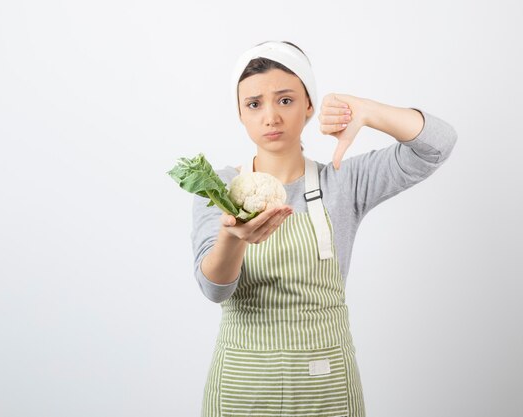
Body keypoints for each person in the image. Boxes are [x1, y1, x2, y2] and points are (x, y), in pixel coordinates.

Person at [191, 40, 457, 417]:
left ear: (309, 105)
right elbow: (214, 289)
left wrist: (369, 112)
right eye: (254, 104)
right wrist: (232, 237)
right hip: (243, 386)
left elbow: (438, 145)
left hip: (326, 385)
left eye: (285, 100)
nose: (271, 117)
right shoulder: (219, 189)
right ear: (240, 113)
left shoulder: (343, 181)